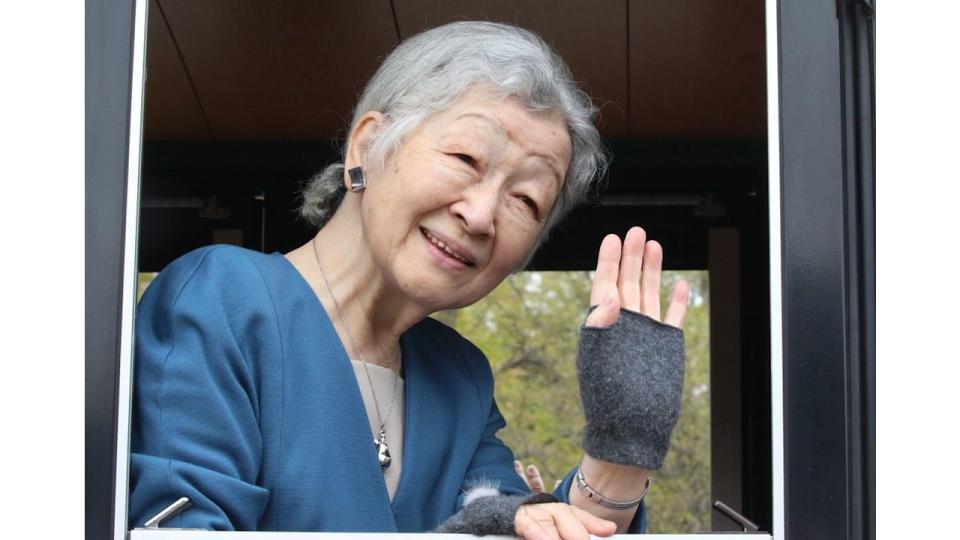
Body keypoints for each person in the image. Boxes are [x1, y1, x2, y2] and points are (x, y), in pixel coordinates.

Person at [128, 21, 689, 539]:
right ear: (367, 145)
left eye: (525, 199)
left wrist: (619, 457)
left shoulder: (461, 378)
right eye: (466, 158)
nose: (481, 215)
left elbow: (518, 526)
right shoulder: (220, 300)